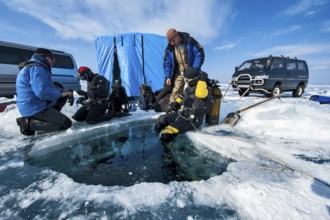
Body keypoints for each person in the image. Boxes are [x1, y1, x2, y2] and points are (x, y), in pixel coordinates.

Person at [16, 48, 73, 135]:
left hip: (31, 105)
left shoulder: (34, 67)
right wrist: (62, 94)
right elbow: (42, 93)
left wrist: (63, 91)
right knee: (66, 123)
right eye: (52, 58)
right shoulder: (37, 68)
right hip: (34, 108)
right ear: (44, 57)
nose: (54, 61)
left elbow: (47, 88)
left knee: (62, 95)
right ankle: (28, 124)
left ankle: (47, 118)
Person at [155, 67, 213, 143]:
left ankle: (168, 153)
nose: (186, 82)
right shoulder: (190, 87)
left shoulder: (203, 89)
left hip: (193, 119)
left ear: (193, 79)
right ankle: (155, 138)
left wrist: (202, 79)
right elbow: (183, 96)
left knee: (167, 133)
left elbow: (200, 94)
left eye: (187, 80)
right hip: (183, 113)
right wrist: (175, 103)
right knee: (161, 119)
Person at [164, 28, 205, 104]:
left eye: (173, 41)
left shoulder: (189, 41)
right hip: (179, 73)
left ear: (177, 36)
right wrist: (168, 76)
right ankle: (173, 109)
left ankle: (191, 109)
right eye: (170, 42)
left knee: (192, 91)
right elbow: (167, 63)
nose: (172, 43)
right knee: (176, 91)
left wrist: (194, 69)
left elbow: (199, 53)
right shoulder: (169, 49)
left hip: (191, 71)